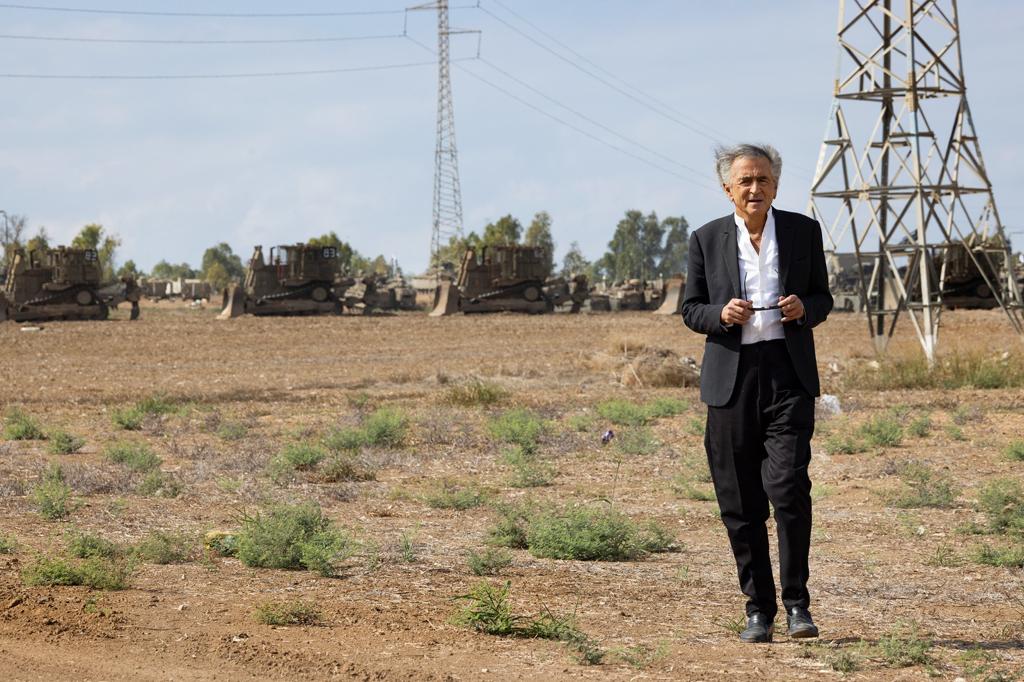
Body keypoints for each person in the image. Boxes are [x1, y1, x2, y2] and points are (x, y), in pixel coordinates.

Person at [681, 143, 833, 643]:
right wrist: (720, 315)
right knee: (740, 502)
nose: (754, 188)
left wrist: (802, 308)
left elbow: (823, 298)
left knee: (788, 489)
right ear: (728, 188)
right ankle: (757, 609)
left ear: (775, 186)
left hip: (788, 376)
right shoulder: (705, 239)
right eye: (745, 181)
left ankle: (797, 605)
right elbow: (690, 309)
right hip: (731, 379)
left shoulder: (803, 232)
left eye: (763, 179)